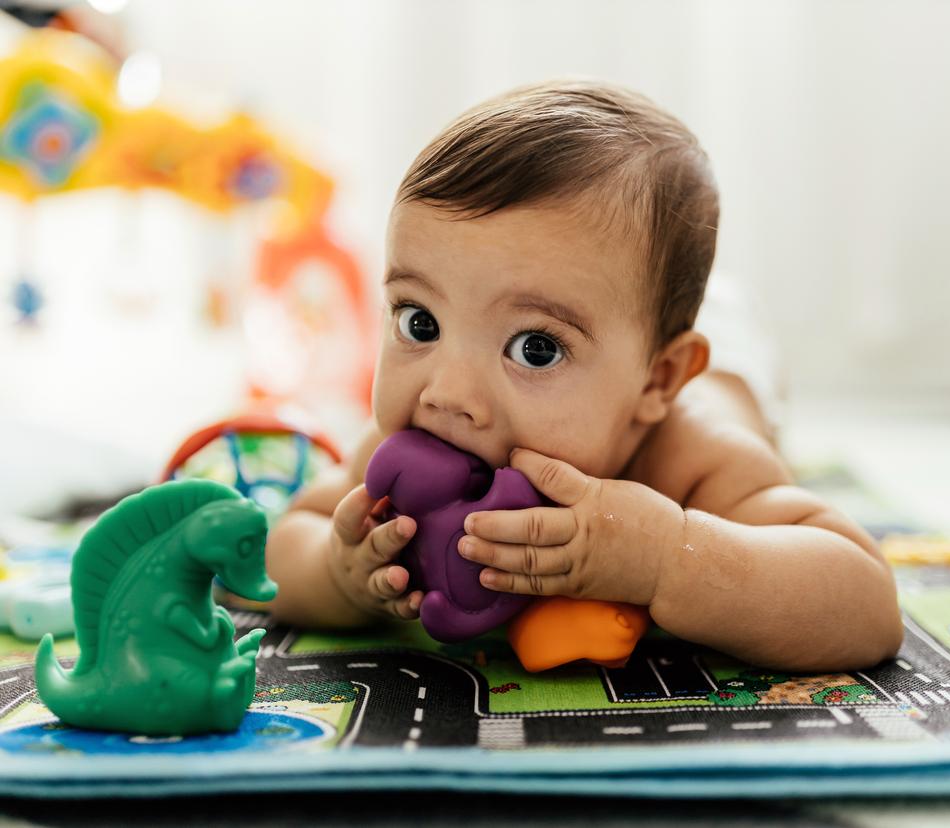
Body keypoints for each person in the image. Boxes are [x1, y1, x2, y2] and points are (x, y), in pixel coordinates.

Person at [264, 80, 902, 672]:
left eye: (535, 347)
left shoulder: (694, 462)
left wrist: (666, 557)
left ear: (657, 383)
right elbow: (284, 543)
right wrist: (337, 572)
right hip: (639, 336)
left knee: (722, 352)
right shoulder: (404, 454)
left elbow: (864, 603)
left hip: (732, 367)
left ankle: (713, 321)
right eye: (420, 323)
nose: (448, 394)